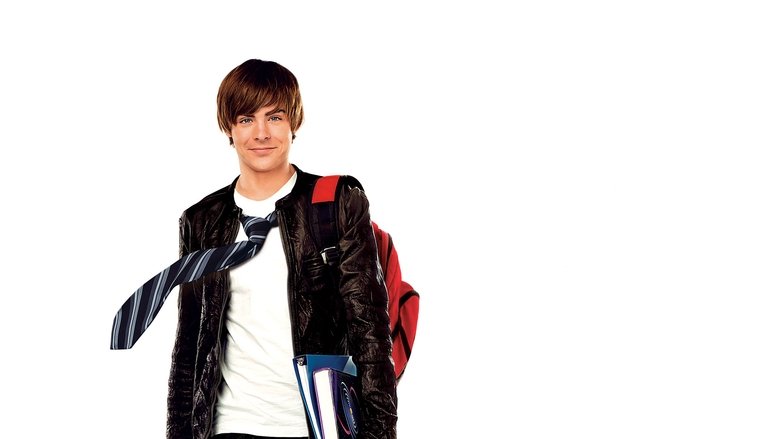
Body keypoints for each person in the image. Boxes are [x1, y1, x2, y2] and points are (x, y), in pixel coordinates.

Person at [167, 59, 397, 439]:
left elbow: (369, 331)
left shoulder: (336, 203)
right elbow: (189, 345)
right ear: (228, 127)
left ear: (294, 122)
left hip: (319, 425)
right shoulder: (202, 221)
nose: (261, 133)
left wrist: (379, 433)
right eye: (246, 119)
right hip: (230, 426)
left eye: (274, 117)